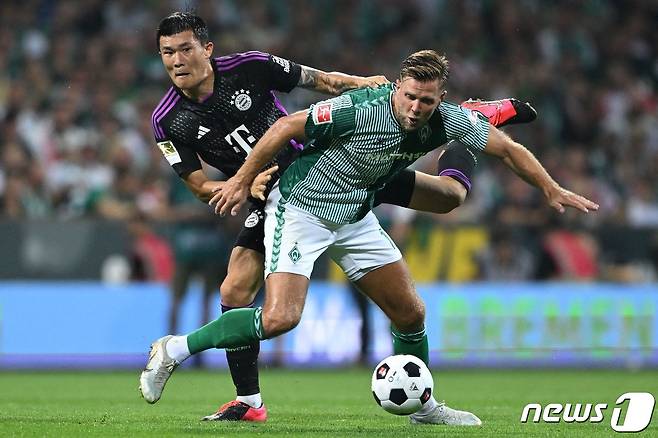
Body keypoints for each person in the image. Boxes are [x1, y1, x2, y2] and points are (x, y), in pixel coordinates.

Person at [140, 46, 598, 426]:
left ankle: (422, 408)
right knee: (280, 318)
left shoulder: (445, 120)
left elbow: (509, 150)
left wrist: (550, 188)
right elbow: (285, 126)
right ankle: (174, 349)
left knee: (411, 309)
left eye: (428, 101)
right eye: (410, 97)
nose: (416, 108)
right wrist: (242, 179)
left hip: (357, 209)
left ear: (440, 99)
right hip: (304, 207)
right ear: (397, 89)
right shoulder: (360, 110)